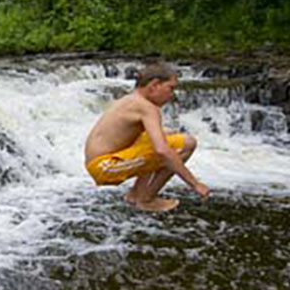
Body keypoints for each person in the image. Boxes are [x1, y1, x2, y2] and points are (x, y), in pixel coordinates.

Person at [84, 63, 210, 211]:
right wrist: (195, 184)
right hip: (104, 167)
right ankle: (146, 199)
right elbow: (162, 150)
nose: (172, 95)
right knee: (183, 145)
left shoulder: (132, 100)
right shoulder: (147, 108)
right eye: (171, 88)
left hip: (102, 163)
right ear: (154, 85)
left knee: (165, 136)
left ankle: (136, 194)